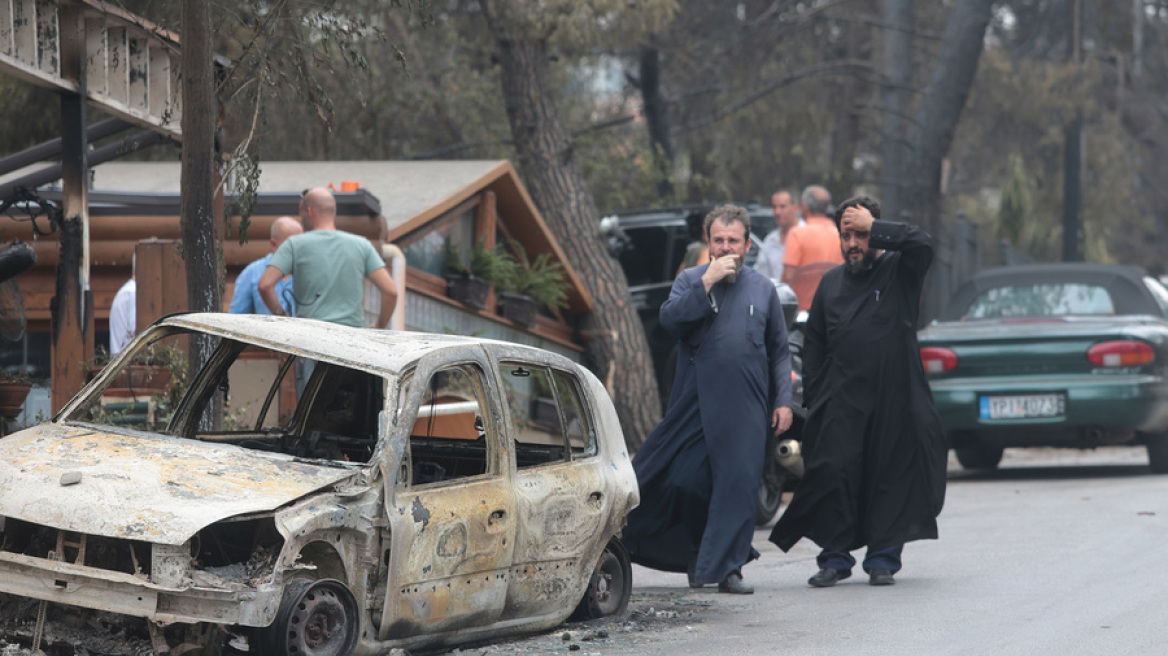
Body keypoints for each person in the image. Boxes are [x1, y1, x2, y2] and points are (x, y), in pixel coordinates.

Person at [769, 196, 947, 588]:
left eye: (862, 234)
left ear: (877, 234)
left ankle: (883, 559)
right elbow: (814, 343)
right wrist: (816, 397)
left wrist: (876, 226)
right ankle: (834, 559)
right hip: (842, 401)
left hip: (893, 400)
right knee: (834, 476)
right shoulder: (831, 283)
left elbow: (922, 243)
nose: (853, 243)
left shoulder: (900, 271)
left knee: (889, 478)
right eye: (846, 235)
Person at [623, 204, 793, 595]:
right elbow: (671, 321)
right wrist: (706, 283)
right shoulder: (689, 280)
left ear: (748, 245)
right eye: (718, 240)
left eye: (733, 240)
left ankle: (728, 567)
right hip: (695, 401)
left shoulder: (763, 289)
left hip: (747, 403)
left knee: (737, 484)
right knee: (688, 482)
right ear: (708, 241)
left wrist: (782, 400)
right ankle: (695, 552)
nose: (725, 247)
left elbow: (779, 351)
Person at [258, 187, 397, 328]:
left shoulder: (294, 245)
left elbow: (265, 285)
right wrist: (380, 325)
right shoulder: (362, 245)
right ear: (333, 211)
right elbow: (390, 291)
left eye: (301, 213)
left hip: (310, 337)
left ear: (309, 211)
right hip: (352, 339)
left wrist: (284, 319)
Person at [229, 216, 303, 315]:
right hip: (266, 330)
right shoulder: (252, 273)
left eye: (300, 245)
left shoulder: (308, 271)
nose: (297, 250)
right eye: (290, 246)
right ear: (273, 244)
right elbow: (236, 317)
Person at [780, 185, 844, 285]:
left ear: (805, 208)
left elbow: (788, 277)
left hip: (804, 299)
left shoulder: (796, 234)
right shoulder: (841, 235)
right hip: (835, 298)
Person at [753, 188, 802, 280]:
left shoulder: (808, 234)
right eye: (774, 207)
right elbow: (761, 276)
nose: (777, 212)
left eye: (782, 207)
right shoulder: (770, 240)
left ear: (795, 208)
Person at [109, 256, 136, 354]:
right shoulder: (134, 293)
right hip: (130, 365)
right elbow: (136, 332)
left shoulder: (127, 291)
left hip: (121, 362)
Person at [676, 210, 710, 276]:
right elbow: (701, 280)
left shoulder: (692, 248)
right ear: (705, 226)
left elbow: (678, 278)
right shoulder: (706, 251)